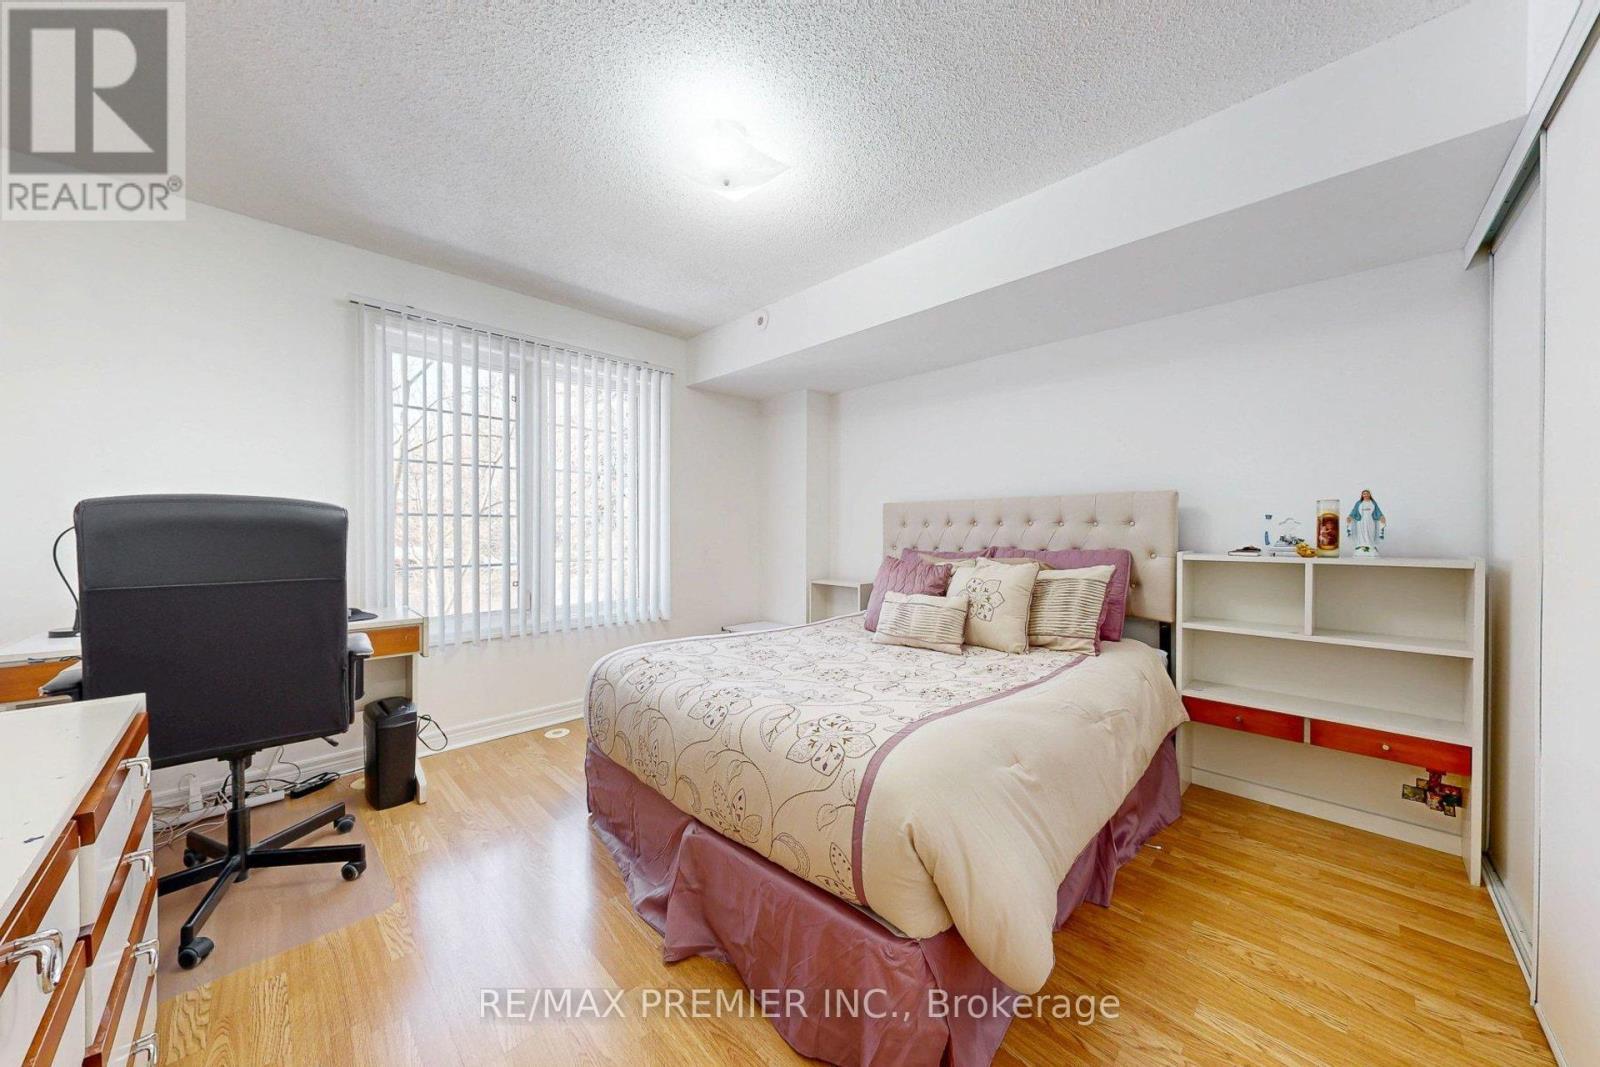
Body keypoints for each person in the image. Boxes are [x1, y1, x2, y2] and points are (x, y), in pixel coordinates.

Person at [1347, 490, 1386, 556]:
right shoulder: (1359, 503)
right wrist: (1350, 516)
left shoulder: (1373, 503)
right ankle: (1361, 544)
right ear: (1362, 495)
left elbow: (1377, 511)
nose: (1365, 495)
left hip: (1370, 520)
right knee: (1361, 532)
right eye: (1364, 494)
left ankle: (1370, 545)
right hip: (1361, 521)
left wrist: (1381, 516)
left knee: (1370, 532)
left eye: (1367, 494)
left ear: (1369, 495)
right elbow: (1354, 510)